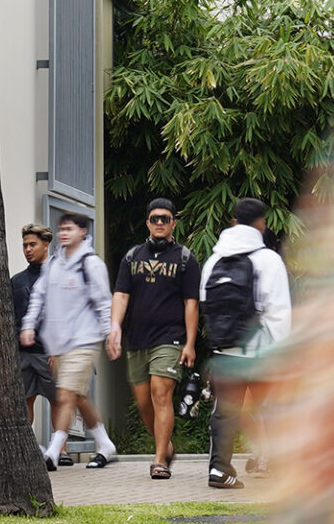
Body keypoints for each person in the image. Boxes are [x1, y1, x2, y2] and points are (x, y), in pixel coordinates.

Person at [200, 198, 291, 490]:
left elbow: (206, 304)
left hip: (225, 351)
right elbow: (278, 312)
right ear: (262, 224)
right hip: (262, 351)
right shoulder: (269, 260)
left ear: (233, 222)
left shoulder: (214, 260)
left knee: (225, 412)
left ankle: (219, 471)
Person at [109, 197, 201, 480]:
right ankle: (167, 446)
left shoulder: (185, 258)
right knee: (144, 403)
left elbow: (191, 303)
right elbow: (121, 294)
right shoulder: (132, 256)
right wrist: (115, 327)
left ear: (173, 222)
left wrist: (189, 343)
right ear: (147, 222)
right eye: (154, 218)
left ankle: (160, 459)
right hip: (137, 340)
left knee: (161, 395)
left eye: (165, 218)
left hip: (170, 338)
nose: (159, 223)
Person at [20, 211, 118, 470]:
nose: (64, 233)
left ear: (82, 232)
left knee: (64, 395)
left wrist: (110, 335)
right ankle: (105, 443)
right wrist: (29, 325)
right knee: (78, 396)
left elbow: (103, 303)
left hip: (84, 341)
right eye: (62, 229)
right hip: (59, 344)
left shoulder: (92, 264)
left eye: (70, 229)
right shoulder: (54, 265)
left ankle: (52, 452)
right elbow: (38, 297)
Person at [10, 223, 56, 426]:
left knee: (58, 401)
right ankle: (26, 452)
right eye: (25, 245)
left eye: (33, 245)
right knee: (25, 401)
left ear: (46, 245)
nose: (28, 250)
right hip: (24, 352)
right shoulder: (17, 280)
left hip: (50, 352)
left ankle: (60, 451)